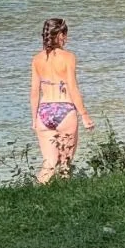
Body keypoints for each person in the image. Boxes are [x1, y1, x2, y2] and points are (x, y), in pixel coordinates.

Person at [30, 18, 94, 182]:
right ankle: (65, 198)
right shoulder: (68, 57)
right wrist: (84, 116)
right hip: (64, 110)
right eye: (65, 35)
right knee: (65, 163)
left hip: (43, 112)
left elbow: (34, 92)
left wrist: (34, 119)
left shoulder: (37, 59)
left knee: (49, 163)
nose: (67, 39)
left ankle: (36, 195)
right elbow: (72, 88)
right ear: (59, 35)